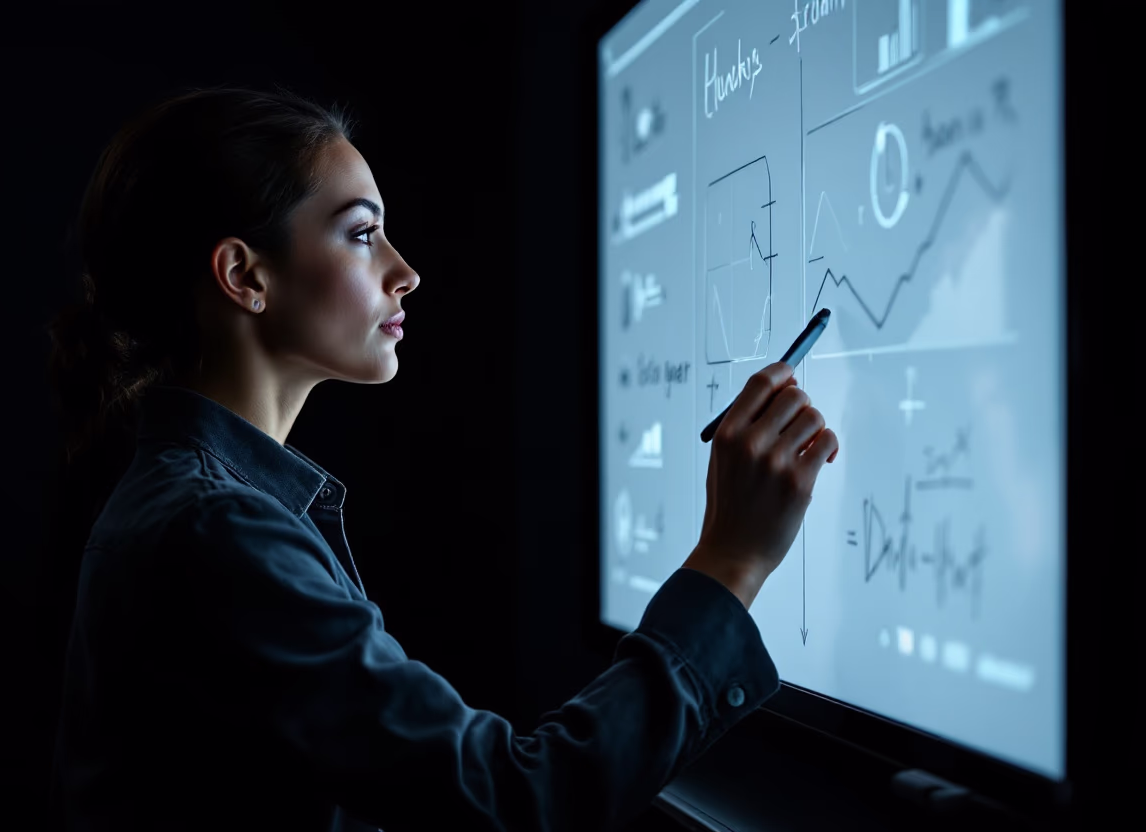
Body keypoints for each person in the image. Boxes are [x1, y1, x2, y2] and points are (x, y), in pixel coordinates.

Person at [44, 85, 838, 832]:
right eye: (362, 234)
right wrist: (730, 565)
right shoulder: (216, 530)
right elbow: (514, 805)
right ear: (245, 275)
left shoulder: (199, 507)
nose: (406, 272)